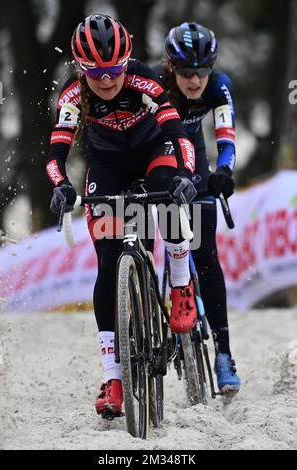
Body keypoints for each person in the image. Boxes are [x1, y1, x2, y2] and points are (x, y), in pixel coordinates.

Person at [46, 13, 200, 418]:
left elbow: (177, 134)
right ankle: (114, 377)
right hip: (108, 165)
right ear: (81, 69)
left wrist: (185, 174)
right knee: (108, 261)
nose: (108, 80)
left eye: (114, 69)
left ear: (126, 62)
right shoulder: (73, 95)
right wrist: (61, 185)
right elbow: (55, 156)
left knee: (168, 201)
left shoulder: (142, 78)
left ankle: (182, 286)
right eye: (96, 72)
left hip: (154, 154)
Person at [153, 22, 240, 393]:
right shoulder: (156, 85)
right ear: (172, 67)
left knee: (206, 254)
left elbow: (227, 135)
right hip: (160, 158)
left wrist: (224, 171)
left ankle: (223, 353)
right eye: (187, 73)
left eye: (202, 72)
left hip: (198, 163)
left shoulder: (219, 85)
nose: (194, 81)